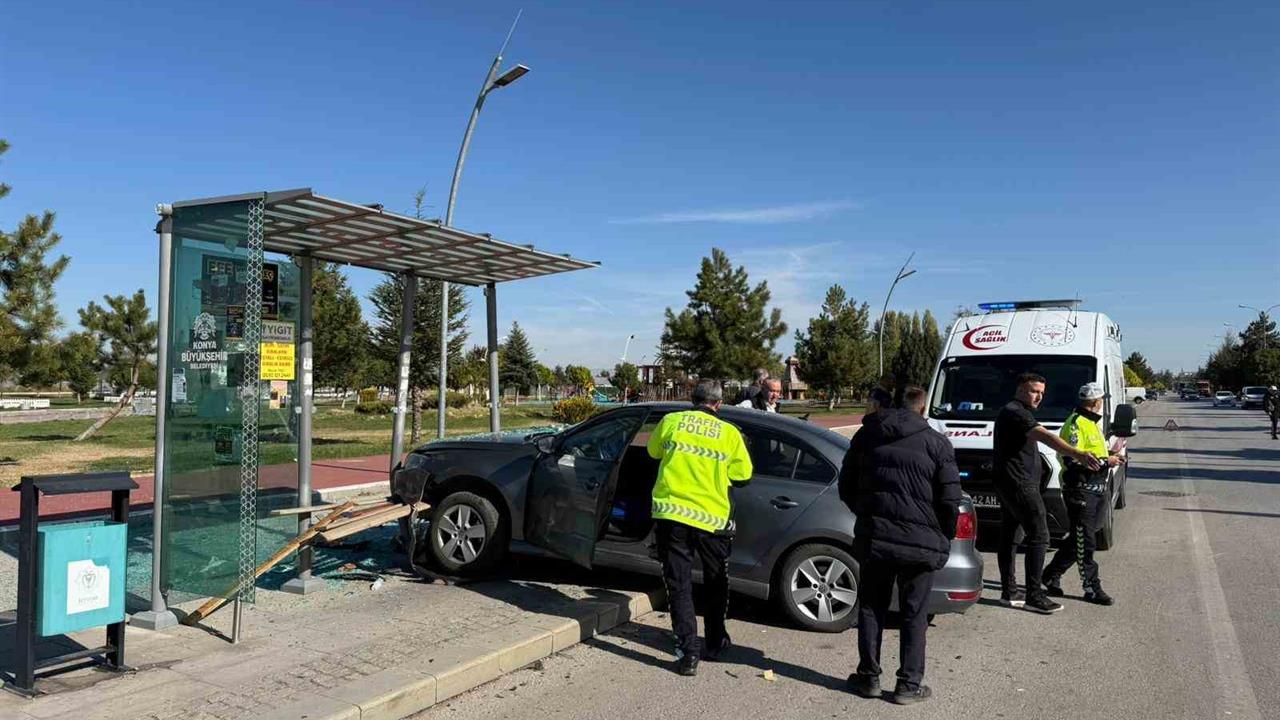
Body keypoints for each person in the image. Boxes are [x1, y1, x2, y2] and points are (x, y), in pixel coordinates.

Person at [839, 385, 962, 705]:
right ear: (922, 410)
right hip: (920, 543)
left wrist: (867, 515)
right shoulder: (938, 443)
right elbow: (950, 499)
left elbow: (846, 486)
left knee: (870, 608)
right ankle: (908, 684)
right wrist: (942, 536)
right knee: (914, 614)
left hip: (875, 537)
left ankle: (868, 677)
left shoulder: (867, 436)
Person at [647, 380, 753, 676]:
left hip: (672, 516)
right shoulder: (730, 433)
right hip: (713, 521)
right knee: (716, 581)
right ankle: (716, 641)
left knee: (678, 585)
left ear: (692, 400)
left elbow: (654, 453)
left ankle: (688, 653)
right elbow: (743, 475)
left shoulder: (671, 421)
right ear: (718, 404)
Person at [993, 373, 1102, 614]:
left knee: (1010, 535)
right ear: (1020, 389)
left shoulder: (1015, 411)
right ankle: (1034, 595)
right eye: (1034, 391)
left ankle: (1009, 591)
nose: (1039, 397)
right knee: (1039, 535)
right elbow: (1044, 435)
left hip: (1013, 482)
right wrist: (1077, 453)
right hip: (1020, 484)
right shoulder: (1016, 412)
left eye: (1042, 393)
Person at [1042, 383, 1125, 606]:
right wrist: (1107, 461)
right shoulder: (1076, 424)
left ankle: (1050, 574)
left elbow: (1093, 454)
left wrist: (1110, 454)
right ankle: (1091, 587)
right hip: (1080, 490)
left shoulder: (1091, 422)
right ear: (1095, 402)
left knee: (1082, 537)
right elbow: (1072, 460)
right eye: (1101, 400)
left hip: (1098, 488)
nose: (1103, 403)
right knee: (1086, 541)